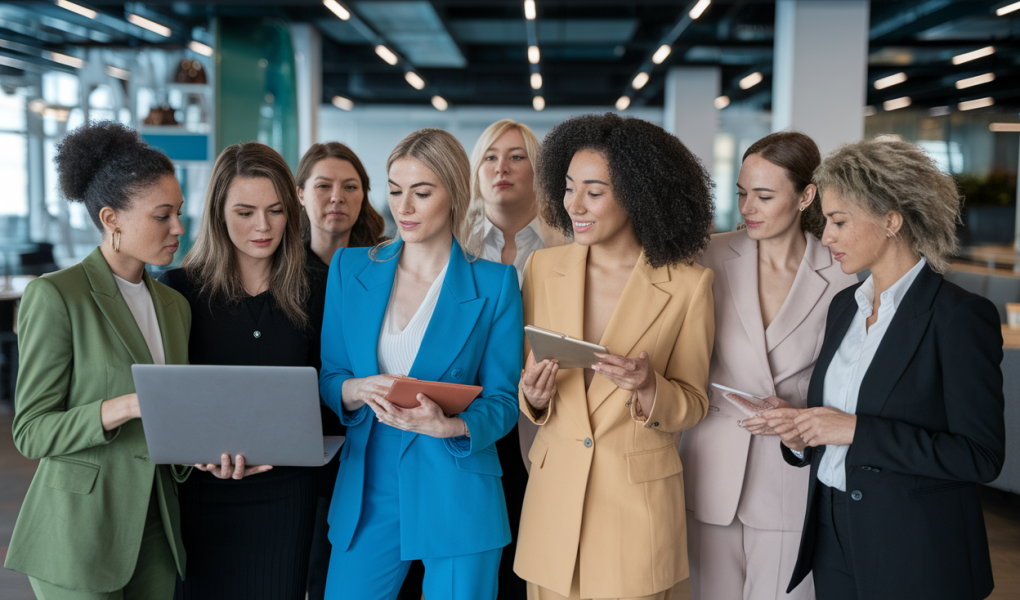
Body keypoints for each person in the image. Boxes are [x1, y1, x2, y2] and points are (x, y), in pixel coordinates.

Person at [762, 137, 1005, 600]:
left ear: (891, 220)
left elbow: (980, 455)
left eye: (838, 222)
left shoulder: (957, 317)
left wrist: (856, 431)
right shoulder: (843, 308)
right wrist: (802, 433)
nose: (826, 236)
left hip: (916, 549)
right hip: (832, 534)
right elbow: (836, 430)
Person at [515, 113, 716, 600]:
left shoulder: (689, 285)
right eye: (567, 188)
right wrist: (533, 395)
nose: (573, 205)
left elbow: (693, 402)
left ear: (637, 193)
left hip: (636, 517)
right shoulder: (542, 268)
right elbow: (529, 380)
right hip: (553, 511)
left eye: (594, 191)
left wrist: (650, 389)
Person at [319, 128, 523, 600]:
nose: (403, 207)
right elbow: (331, 377)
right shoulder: (350, 269)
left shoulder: (495, 284)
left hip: (455, 481)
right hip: (369, 485)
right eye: (394, 191)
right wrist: (357, 389)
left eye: (421, 192)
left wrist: (452, 427)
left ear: (454, 193)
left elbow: (502, 400)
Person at [5, 121, 190, 599]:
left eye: (180, 213)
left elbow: (176, 417)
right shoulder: (57, 296)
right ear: (112, 219)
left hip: (157, 527)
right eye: (162, 216)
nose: (178, 228)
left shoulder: (174, 306)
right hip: (79, 532)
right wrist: (127, 405)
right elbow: (31, 431)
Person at [677, 131, 857, 600]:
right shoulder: (707, 256)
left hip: (789, 477)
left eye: (763, 195)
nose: (748, 207)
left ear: (806, 196)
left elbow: (849, 378)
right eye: (741, 193)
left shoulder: (843, 273)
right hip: (710, 473)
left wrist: (801, 417)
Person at [159, 142, 324, 600]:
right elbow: (166, 395)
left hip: (287, 494)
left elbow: (329, 392)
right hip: (203, 492)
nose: (263, 226)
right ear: (217, 212)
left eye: (275, 210)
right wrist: (194, 452)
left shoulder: (319, 288)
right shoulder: (178, 291)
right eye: (245, 212)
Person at [295, 141, 386, 600]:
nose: (337, 197)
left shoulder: (385, 267)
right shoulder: (281, 274)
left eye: (351, 187)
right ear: (299, 194)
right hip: (301, 446)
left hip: (369, 442)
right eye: (324, 185)